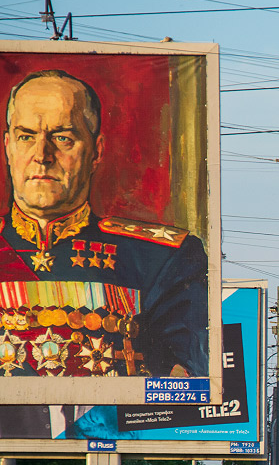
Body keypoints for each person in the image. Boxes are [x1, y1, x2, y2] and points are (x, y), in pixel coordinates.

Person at [0, 69, 208, 378]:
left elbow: (183, 389)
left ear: (96, 152)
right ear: (8, 146)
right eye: (26, 136)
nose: (41, 155)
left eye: (62, 138)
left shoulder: (159, 258)